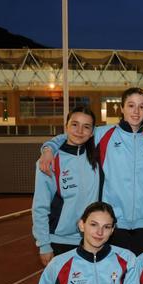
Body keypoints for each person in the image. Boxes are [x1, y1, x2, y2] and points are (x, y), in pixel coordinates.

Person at [39, 88, 143, 255]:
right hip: (113, 223)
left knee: (140, 277)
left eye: (141, 107)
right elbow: (74, 134)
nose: (136, 111)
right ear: (122, 108)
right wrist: (48, 148)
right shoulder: (104, 135)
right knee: (113, 277)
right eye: (131, 105)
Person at [32, 105, 101, 265]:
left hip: (93, 240)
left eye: (86, 127)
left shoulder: (97, 157)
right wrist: (44, 244)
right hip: (60, 241)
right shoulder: (49, 161)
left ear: (92, 133)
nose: (79, 131)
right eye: (74, 124)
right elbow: (40, 207)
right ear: (66, 127)